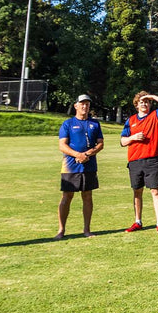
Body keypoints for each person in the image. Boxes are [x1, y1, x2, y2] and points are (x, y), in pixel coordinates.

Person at [120, 91, 158, 235]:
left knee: (155, 191)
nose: (144, 104)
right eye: (141, 102)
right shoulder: (130, 120)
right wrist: (133, 137)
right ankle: (138, 221)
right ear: (136, 105)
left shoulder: (155, 116)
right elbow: (122, 141)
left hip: (152, 160)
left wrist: (152, 96)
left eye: (146, 102)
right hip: (135, 160)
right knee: (137, 192)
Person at [56, 94, 104, 239]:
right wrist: (78, 155)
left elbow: (100, 143)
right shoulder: (68, 124)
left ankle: (87, 229)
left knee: (87, 196)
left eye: (87, 104)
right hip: (70, 166)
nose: (85, 106)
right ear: (76, 105)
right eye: (82, 103)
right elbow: (62, 145)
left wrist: (89, 153)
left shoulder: (95, 124)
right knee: (67, 196)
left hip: (89, 166)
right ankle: (61, 230)